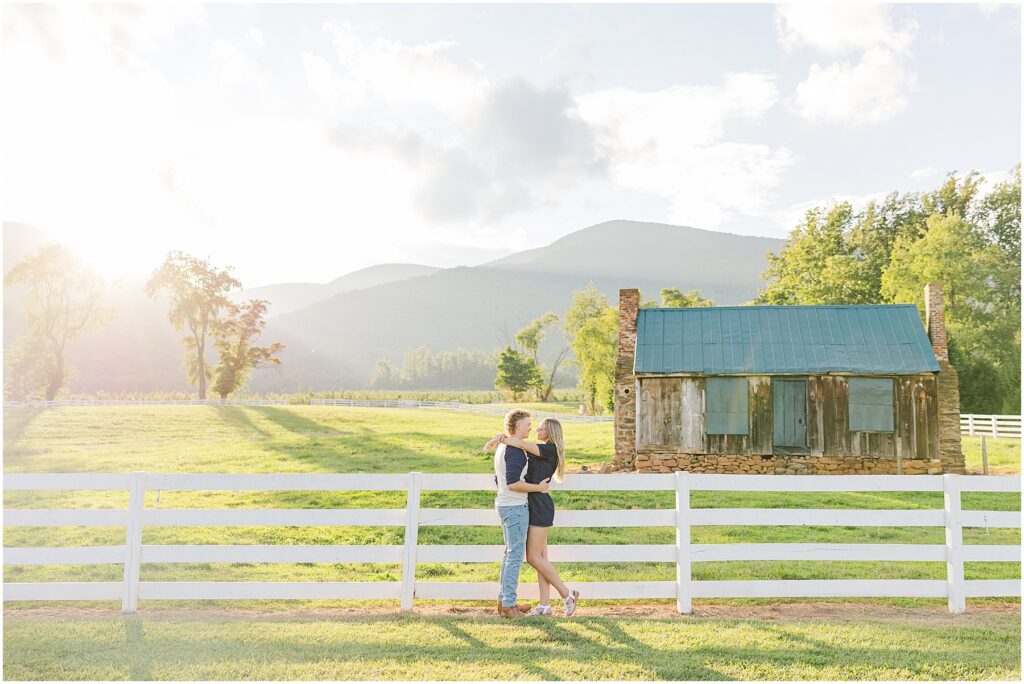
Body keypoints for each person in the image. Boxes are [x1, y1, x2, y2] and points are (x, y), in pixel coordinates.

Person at [484, 417, 579, 617]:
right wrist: (501, 438)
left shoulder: (549, 449)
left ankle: (567, 594)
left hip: (539, 506)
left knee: (534, 557)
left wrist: (500, 439)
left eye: (541, 427)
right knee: (541, 557)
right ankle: (544, 604)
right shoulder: (539, 448)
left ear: (550, 432)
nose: (537, 428)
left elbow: (518, 443)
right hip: (530, 503)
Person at [482, 409, 550, 618]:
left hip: (505, 504)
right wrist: (538, 488)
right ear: (518, 426)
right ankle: (509, 605)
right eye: (528, 423)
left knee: (509, 553)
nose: (531, 426)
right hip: (514, 507)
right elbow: (513, 483)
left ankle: (505, 601)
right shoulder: (514, 451)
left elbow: (500, 480)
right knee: (514, 555)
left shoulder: (504, 447)